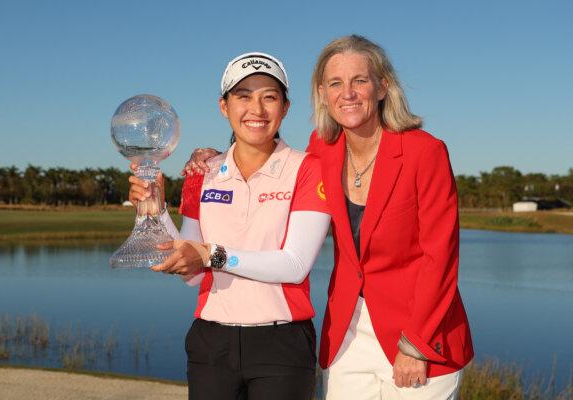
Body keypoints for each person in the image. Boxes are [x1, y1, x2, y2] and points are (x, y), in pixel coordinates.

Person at [181, 35, 474, 400]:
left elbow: (440, 259)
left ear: (383, 86)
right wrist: (212, 157)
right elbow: (262, 151)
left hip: (417, 333)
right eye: (336, 83)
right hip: (348, 332)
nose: (347, 93)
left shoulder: (424, 152)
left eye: (360, 81)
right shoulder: (323, 149)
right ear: (322, 92)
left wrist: (416, 344)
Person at [128, 52, 330, 400]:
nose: (257, 108)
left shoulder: (307, 168)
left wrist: (214, 255)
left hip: (281, 343)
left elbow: (295, 266)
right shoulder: (202, 173)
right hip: (212, 343)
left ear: (285, 108)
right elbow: (191, 271)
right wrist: (155, 210)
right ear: (224, 106)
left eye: (269, 96)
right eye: (243, 96)